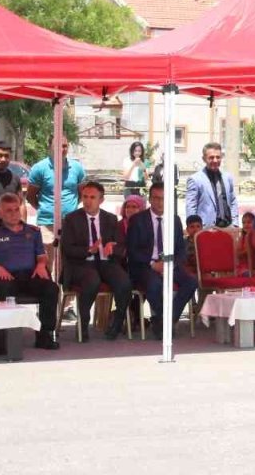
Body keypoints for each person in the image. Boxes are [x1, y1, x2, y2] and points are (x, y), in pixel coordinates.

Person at [0, 193, 60, 350]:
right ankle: (4, 339)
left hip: (30, 275)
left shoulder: (33, 231)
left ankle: (45, 335)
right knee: (3, 289)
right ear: (0, 213)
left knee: (51, 288)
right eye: (9, 211)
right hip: (6, 276)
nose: (14, 214)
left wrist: (41, 264)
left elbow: (42, 256)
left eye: (16, 209)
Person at [61, 181, 134, 341]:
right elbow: (67, 248)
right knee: (92, 279)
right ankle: (84, 323)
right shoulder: (72, 219)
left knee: (124, 282)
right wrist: (88, 250)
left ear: (101, 200)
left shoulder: (110, 219)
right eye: (85, 197)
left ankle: (117, 323)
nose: (88, 201)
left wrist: (112, 247)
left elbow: (121, 246)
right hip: (80, 264)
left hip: (106, 262)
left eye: (92, 197)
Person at [125, 183, 198, 339]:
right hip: (145, 266)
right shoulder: (138, 220)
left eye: (163, 199)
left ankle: (165, 320)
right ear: (150, 199)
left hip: (170, 264)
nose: (159, 202)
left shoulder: (175, 220)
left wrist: (170, 265)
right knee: (154, 284)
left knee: (191, 282)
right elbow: (132, 250)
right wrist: (153, 264)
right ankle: (163, 321)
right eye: (156, 198)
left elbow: (181, 250)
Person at [27, 136, 86, 244]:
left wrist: (70, 207)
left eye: (64, 146)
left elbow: (82, 193)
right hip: (47, 224)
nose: (62, 149)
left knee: (70, 258)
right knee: (49, 259)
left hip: (71, 223)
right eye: (58, 146)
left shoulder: (77, 168)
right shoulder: (39, 168)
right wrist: (44, 208)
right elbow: (30, 196)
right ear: (50, 147)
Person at [185, 142, 237, 228]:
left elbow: (233, 201)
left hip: (228, 228)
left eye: (218, 157)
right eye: (211, 157)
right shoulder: (195, 180)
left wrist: (235, 224)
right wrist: (193, 229)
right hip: (206, 230)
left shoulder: (227, 178)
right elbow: (191, 207)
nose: (215, 160)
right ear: (204, 159)